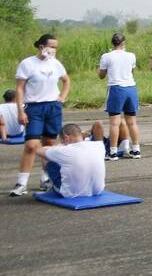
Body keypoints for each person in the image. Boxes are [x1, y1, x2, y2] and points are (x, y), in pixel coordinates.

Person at [10, 34, 70, 197]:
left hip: (53, 107)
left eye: (56, 47)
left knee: (49, 143)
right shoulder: (27, 64)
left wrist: (62, 98)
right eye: (51, 46)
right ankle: (21, 183)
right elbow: (20, 88)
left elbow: (66, 80)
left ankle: (46, 179)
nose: (53, 50)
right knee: (31, 145)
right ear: (41, 46)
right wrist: (21, 110)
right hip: (34, 108)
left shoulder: (56, 64)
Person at [97, 32, 141, 159]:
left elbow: (101, 75)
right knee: (132, 122)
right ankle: (136, 149)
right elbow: (132, 71)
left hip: (116, 89)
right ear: (124, 43)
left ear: (112, 43)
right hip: (131, 88)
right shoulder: (131, 56)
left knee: (114, 123)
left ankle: (113, 151)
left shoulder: (106, 56)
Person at [34, 123, 106, 198]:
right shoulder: (98, 146)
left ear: (66, 137)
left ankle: (46, 182)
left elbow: (38, 151)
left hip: (70, 193)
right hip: (97, 191)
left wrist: (59, 143)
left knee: (47, 158)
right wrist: (83, 133)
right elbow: (98, 124)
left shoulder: (64, 150)